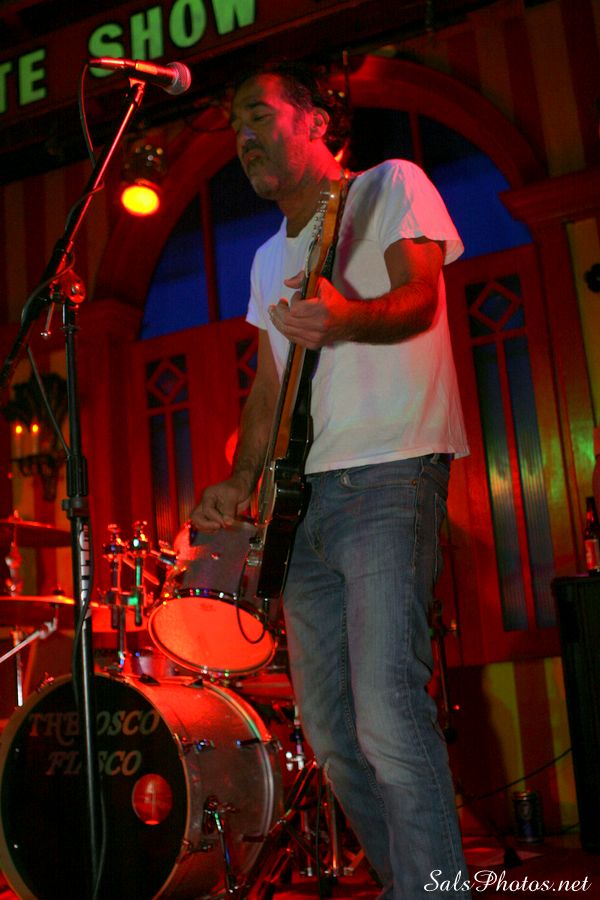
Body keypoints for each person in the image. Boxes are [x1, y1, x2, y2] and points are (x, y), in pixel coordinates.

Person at [191, 62, 471, 899]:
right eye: (235, 127)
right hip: (301, 507)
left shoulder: (391, 185)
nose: (243, 137)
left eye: (258, 115)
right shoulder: (265, 257)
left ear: (315, 119)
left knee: (388, 711)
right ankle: (409, 883)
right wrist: (239, 479)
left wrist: (344, 318)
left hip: (388, 478)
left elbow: (420, 301)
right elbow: (270, 385)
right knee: (335, 734)